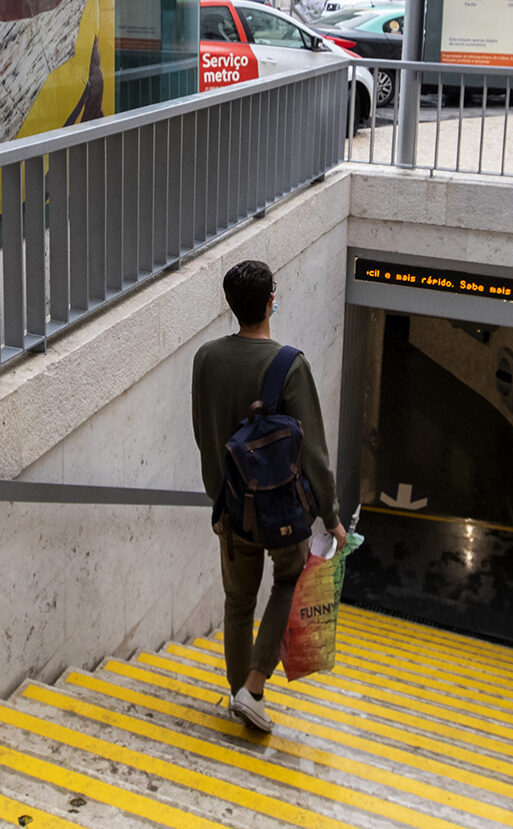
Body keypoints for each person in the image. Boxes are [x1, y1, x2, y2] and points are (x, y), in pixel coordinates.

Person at [190, 260, 345, 733]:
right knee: (289, 580)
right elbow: (313, 451)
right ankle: (253, 688)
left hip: (230, 509)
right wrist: (331, 515)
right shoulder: (290, 365)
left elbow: (203, 434)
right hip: (281, 514)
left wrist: (220, 497)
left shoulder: (207, 359)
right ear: (271, 302)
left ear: (231, 306)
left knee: (237, 605)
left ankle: (240, 695)